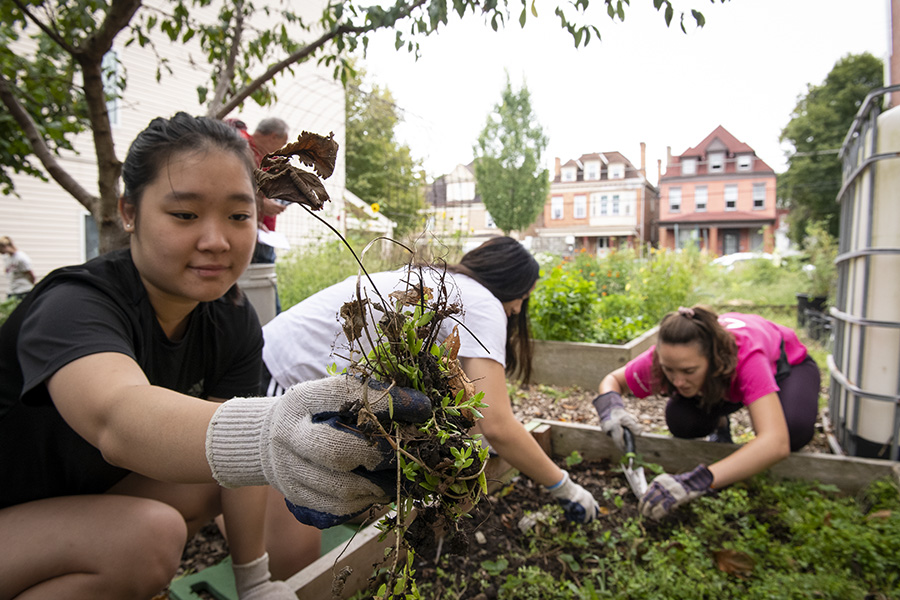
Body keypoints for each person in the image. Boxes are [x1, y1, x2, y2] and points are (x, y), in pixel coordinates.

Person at [0, 112, 430, 599]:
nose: (216, 241)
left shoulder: (230, 317)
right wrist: (268, 430)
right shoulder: (74, 303)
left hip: (82, 502)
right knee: (148, 536)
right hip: (14, 515)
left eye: (238, 215)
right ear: (128, 212)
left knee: (243, 474)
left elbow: (234, 458)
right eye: (184, 215)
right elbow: (116, 418)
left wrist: (255, 582)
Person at [260, 237, 601, 576]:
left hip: (273, 353)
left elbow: (469, 399)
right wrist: (563, 486)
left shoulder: (448, 285)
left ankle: (244, 525)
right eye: (523, 299)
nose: (517, 310)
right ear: (510, 286)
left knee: (242, 485)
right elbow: (498, 424)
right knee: (299, 540)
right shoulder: (483, 303)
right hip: (287, 373)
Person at [593, 305, 820, 520]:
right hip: (721, 383)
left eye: (688, 371)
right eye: (669, 370)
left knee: (792, 431)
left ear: (713, 359)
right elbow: (613, 380)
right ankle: (720, 423)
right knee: (682, 421)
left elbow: (776, 443)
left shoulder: (747, 357)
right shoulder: (669, 356)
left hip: (788, 366)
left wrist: (697, 481)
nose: (678, 381)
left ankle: (757, 401)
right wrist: (611, 410)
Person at [227, 118, 290, 313]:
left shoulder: (259, 155)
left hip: (259, 229)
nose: (281, 150)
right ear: (273, 137)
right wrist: (260, 205)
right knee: (261, 293)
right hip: (250, 234)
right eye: (283, 144)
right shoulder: (242, 147)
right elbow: (231, 185)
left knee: (262, 289)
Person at [0, 236, 36, 301]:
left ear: (5, 246)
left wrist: (32, 287)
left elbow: (30, 275)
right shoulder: (7, 257)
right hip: (12, 290)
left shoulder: (21, 258)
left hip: (23, 290)